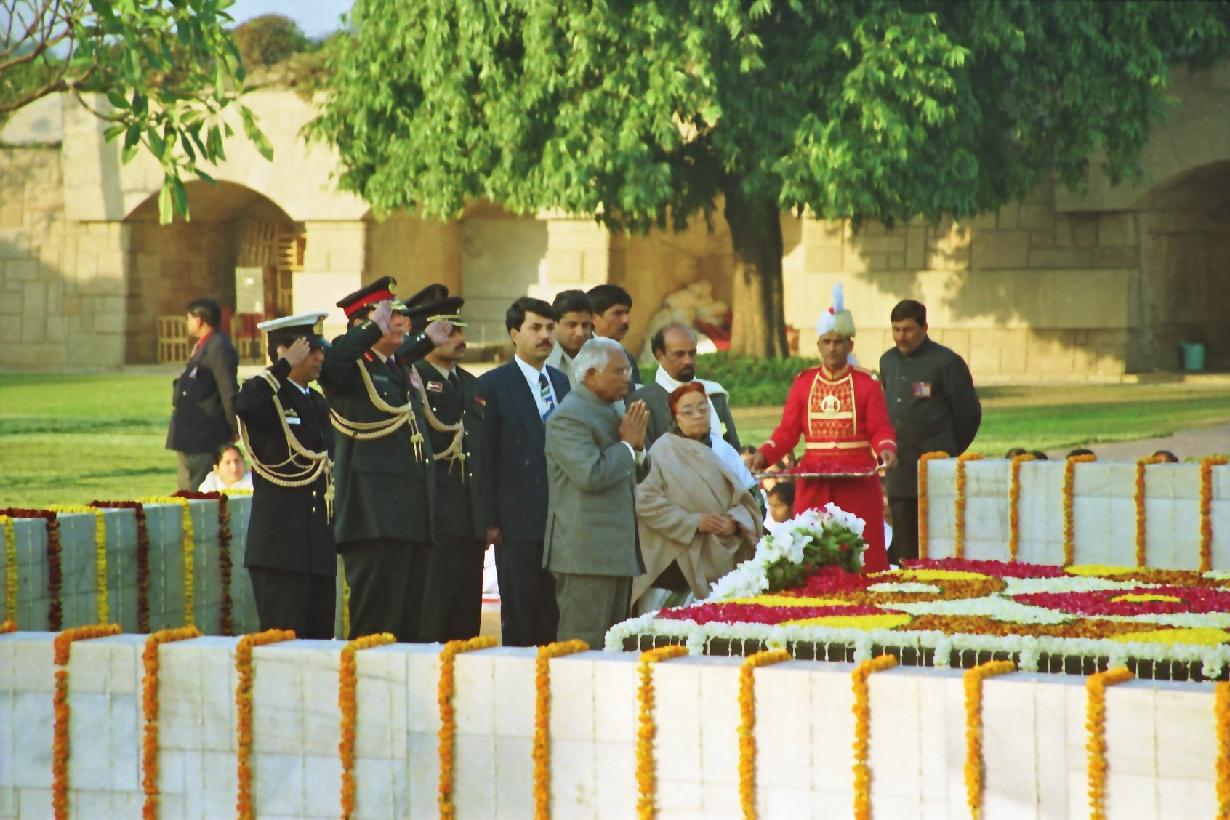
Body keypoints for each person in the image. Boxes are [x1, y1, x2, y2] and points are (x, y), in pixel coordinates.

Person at [320, 276, 453, 641]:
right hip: (372, 519)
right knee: (376, 625)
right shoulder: (348, 369)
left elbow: (400, 356)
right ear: (361, 324)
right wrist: (370, 330)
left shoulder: (395, 366)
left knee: (410, 626)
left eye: (399, 314)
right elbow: (333, 361)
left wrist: (427, 340)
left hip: (409, 517)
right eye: (388, 314)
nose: (400, 320)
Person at [751, 285, 897, 573]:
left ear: (850, 345)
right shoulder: (803, 383)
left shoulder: (867, 384)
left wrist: (886, 449)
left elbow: (880, 428)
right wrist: (764, 455)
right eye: (827, 342)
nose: (833, 348)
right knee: (811, 552)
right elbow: (787, 432)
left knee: (864, 554)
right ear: (818, 345)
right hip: (814, 482)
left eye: (839, 342)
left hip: (857, 481)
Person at [544, 336, 650, 648]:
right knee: (584, 645)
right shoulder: (569, 416)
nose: (627, 378)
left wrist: (638, 448)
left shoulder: (613, 409)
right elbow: (590, 474)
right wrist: (628, 446)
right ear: (591, 375)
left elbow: (636, 472)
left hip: (616, 551)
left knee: (613, 646)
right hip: (586, 555)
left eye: (627, 370)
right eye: (618, 371)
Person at [234, 313, 336, 638]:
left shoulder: (316, 402)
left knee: (319, 643)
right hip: (280, 548)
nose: (320, 357)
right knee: (284, 645)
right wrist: (282, 367)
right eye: (311, 350)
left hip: (317, 547)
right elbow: (243, 404)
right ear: (285, 352)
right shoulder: (269, 398)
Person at [477, 297, 571, 646]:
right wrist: (490, 520)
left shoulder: (561, 382)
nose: (545, 335)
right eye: (536, 328)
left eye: (550, 328)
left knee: (555, 616)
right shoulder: (493, 385)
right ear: (514, 333)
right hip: (517, 521)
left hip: (562, 520)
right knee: (521, 615)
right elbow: (485, 455)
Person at [632, 383, 762, 614]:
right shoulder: (662, 451)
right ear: (675, 417)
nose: (697, 415)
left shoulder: (724, 450)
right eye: (688, 411)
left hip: (724, 559)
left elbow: (750, 500)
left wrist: (734, 521)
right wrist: (693, 522)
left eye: (703, 408)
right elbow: (646, 502)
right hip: (675, 562)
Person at [405, 285, 488, 642]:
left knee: (465, 617)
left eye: (459, 329)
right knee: (432, 616)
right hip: (433, 515)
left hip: (468, 518)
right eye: (448, 330)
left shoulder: (471, 384)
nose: (458, 338)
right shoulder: (412, 380)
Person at [879, 298, 981, 565]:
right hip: (899, 468)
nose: (901, 336)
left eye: (908, 329)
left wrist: (948, 450)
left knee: (938, 539)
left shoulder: (946, 362)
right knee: (904, 544)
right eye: (896, 329)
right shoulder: (888, 361)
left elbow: (969, 414)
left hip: (936, 468)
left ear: (924, 328)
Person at [631, 323, 741, 452]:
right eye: (679, 354)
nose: (688, 361)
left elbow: (733, 448)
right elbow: (646, 457)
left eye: (692, 353)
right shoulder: (643, 402)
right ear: (659, 355)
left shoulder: (714, 394)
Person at [167, 297, 239, 491]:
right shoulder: (203, 345)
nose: (187, 322)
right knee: (186, 490)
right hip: (189, 432)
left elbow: (228, 389)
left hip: (205, 433)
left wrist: (235, 426)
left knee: (199, 491)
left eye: (189, 318)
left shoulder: (219, 346)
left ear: (199, 319)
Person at [588, 283, 643, 387]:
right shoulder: (581, 354)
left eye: (627, 312)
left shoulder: (626, 356)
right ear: (593, 318)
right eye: (617, 313)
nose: (625, 320)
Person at [545, 289, 594, 386]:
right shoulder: (541, 360)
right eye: (572, 325)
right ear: (554, 324)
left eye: (585, 325)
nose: (580, 333)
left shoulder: (603, 356)